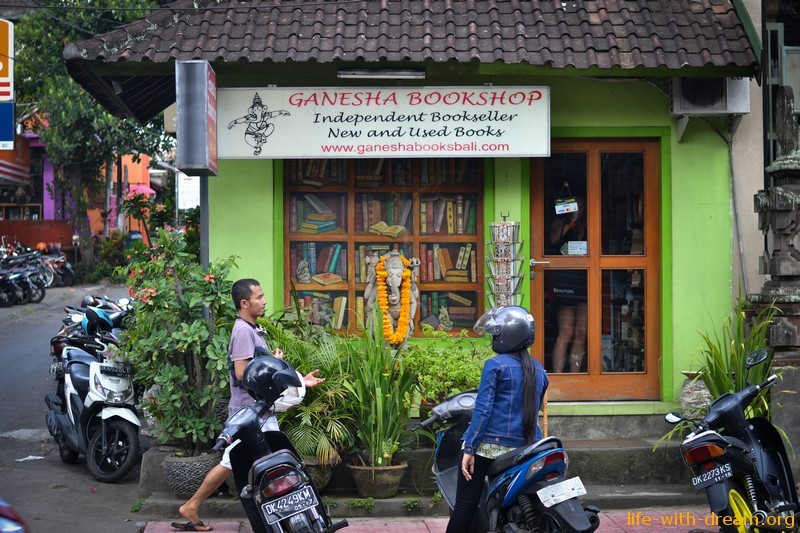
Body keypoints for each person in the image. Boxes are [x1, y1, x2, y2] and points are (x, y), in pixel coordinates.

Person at [173, 278, 324, 532]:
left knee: (247, 461)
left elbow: (262, 370)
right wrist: (271, 361)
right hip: (250, 413)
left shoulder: (251, 329)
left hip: (260, 411)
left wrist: (299, 380)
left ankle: (278, 515)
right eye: (259, 297)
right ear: (245, 303)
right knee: (237, 461)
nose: (264, 302)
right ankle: (193, 505)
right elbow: (243, 373)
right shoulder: (242, 331)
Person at [446, 306, 549, 533]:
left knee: (465, 504)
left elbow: (482, 411)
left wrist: (470, 448)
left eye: (495, 333)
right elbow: (533, 411)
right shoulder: (539, 370)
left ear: (506, 335)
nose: (493, 337)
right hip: (528, 448)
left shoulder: (495, 365)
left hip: (492, 447)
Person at [549, 198, 587, 373]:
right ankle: (557, 377)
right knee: (566, 333)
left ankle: (575, 377)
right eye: (576, 204)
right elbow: (554, 239)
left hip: (585, 281)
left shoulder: (588, 224)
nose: (580, 207)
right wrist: (572, 219)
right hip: (565, 281)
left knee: (581, 334)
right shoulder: (560, 222)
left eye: (582, 204)